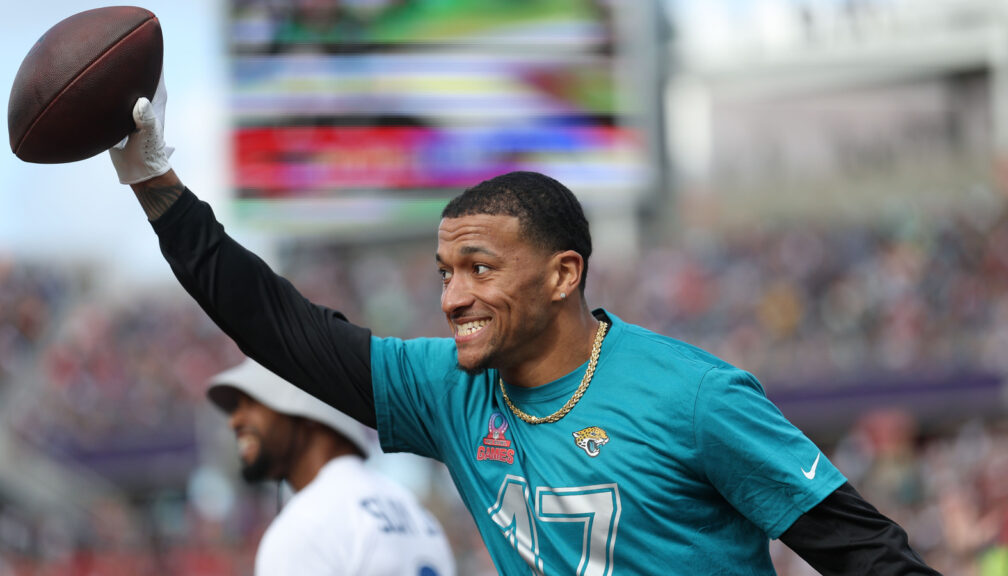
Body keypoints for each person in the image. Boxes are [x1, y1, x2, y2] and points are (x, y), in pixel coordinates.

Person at [107, 81, 941, 573]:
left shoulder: (694, 397)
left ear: (562, 275)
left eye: (479, 268)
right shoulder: (447, 390)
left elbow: (864, 551)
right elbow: (277, 324)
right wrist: (155, 184)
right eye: (445, 273)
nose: (453, 298)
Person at [205, 356, 455, 575]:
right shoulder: (419, 515)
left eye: (252, 403)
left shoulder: (304, 528)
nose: (234, 421)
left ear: (308, 408)